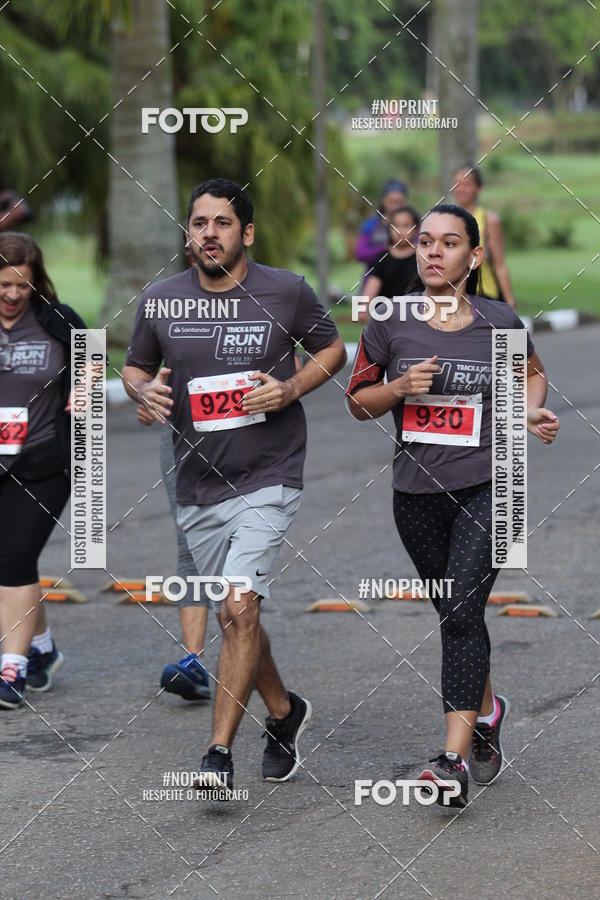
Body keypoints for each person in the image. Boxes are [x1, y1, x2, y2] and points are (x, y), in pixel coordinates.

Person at [123, 178, 346, 797]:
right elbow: (136, 365)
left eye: (222, 223)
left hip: (270, 473)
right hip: (197, 481)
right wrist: (143, 391)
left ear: (246, 233)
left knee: (238, 606)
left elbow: (333, 349)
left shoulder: (285, 290)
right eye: (199, 223)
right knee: (235, 615)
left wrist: (291, 388)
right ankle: (283, 712)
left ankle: (218, 753)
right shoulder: (163, 299)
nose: (208, 234)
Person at [346, 203, 559, 807]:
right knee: (455, 613)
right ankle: (488, 711)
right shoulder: (389, 321)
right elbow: (357, 403)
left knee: (462, 611)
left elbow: (533, 373)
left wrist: (522, 411)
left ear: (474, 255)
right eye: (426, 243)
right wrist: (397, 388)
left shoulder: (498, 321)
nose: (433, 252)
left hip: (491, 486)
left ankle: (451, 761)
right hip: (414, 497)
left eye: (449, 242)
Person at [0, 232, 87, 708]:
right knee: (16, 562)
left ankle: (10, 673)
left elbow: (93, 361)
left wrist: (85, 383)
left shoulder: (57, 320)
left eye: (22, 286)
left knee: (12, 559)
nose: (13, 295)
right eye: (3, 286)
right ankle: (42, 648)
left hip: (44, 462)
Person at [136, 404, 211, 700]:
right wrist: (145, 393)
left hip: (247, 436)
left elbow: (291, 370)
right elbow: (137, 371)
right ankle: (194, 662)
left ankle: (247, 654)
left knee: (241, 544)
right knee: (190, 544)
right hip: (182, 433)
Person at [452, 164, 516, 308]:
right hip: (453, 297)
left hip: (484, 295)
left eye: (466, 184)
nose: (460, 189)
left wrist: (510, 300)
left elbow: (499, 264)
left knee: (506, 331)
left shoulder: (489, 220)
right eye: (457, 184)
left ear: (478, 188)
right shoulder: (446, 219)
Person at [359, 205, 420, 322]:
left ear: (416, 229)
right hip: (386, 316)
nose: (399, 231)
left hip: (414, 316)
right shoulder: (383, 257)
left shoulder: (421, 256)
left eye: (406, 225)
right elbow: (373, 283)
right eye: (395, 226)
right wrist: (363, 308)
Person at [355, 179, 408, 274]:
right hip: (374, 278)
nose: (396, 207)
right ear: (383, 201)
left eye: (399, 202)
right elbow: (360, 253)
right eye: (392, 202)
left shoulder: (412, 226)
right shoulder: (371, 224)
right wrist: (385, 249)